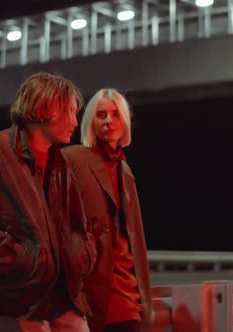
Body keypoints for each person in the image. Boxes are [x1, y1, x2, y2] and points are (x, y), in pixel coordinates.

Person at [0, 71, 96, 332]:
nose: (74, 121)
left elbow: (78, 227)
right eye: (67, 111)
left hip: (56, 299)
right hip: (9, 300)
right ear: (41, 108)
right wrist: (23, 261)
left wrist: (82, 256)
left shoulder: (60, 164)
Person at [62, 89, 153, 332]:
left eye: (115, 114)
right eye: (101, 114)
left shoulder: (125, 171)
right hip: (87, 297)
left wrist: (143, 302)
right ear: (91, 121)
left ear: (125, 121)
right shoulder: (71, 159)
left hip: (126, 296)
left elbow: (135, 244)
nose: (108, 120)